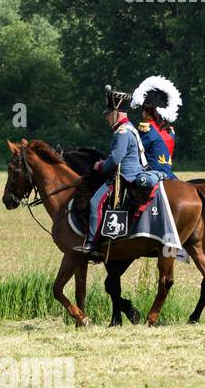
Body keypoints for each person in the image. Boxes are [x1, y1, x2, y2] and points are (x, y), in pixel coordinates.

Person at [74, 86, 163, 257]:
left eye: (109, 114)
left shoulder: (122, 132)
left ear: (117, 113)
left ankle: (92, 243)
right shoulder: (128, 128)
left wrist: (99, 166)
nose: (107, 118)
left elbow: (114, 161)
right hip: (130, 172)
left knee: (94, 203)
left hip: (124, 177)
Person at [130, 75, 181, 179]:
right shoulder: (170, 131)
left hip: (152, 176)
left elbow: (136, 155)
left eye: (144, 110)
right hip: (169, 176)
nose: (142, 114)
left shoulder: (147, 129)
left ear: (149, 112)